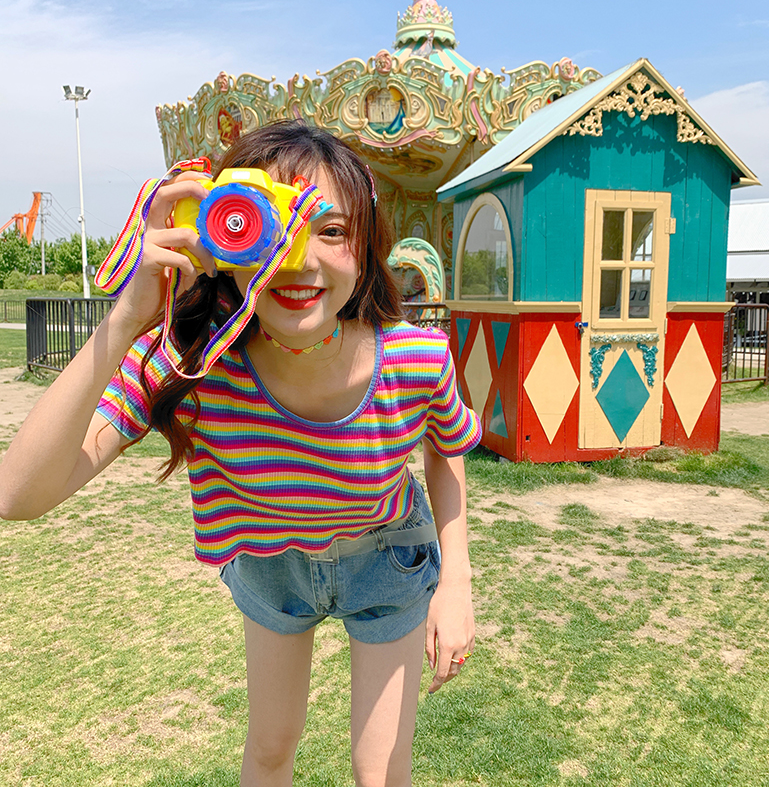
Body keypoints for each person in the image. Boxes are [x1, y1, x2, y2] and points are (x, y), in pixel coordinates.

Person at [0, 120, 481, 787]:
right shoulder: (193, 363)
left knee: (380, 770)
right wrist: (128, 317)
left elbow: (446, 448)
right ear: (221, 236)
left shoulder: (413, 357)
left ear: (367, 246)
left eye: (331, 230)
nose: (298, 257)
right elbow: (18, 496)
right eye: (267, 223)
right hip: (271, 561)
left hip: (386, 555)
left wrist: (454, 584)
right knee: (269, 750)